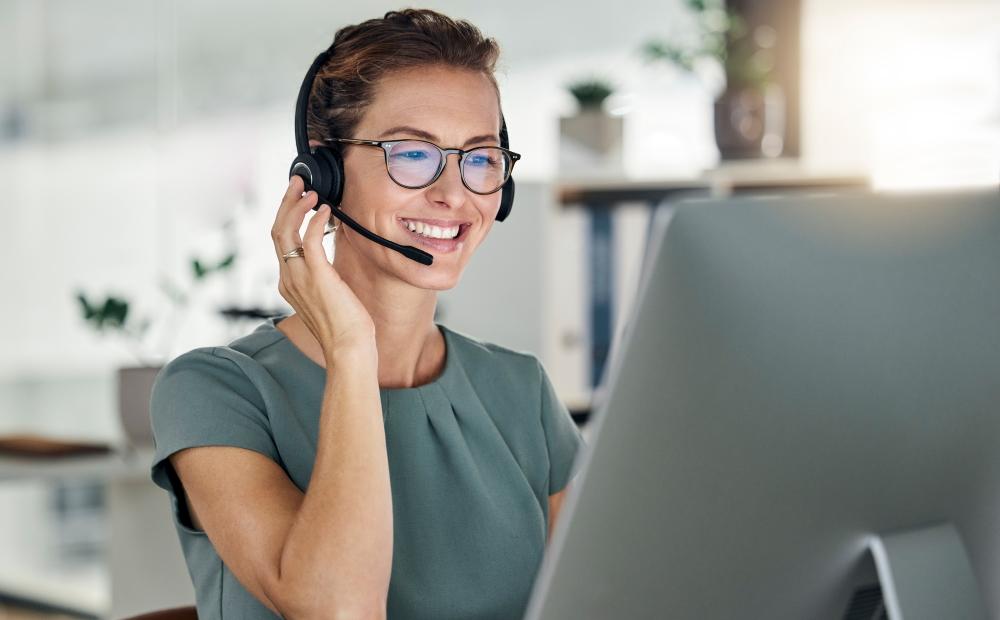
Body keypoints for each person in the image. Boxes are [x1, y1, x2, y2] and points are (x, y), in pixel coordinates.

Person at [149, 8, 585, 620]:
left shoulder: (521, 392)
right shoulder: (215, 389)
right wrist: (352, 349)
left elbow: (606, 594)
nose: (454, 195)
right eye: (412, 154)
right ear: (323, 174)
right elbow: (336, 608)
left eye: (480, 159)